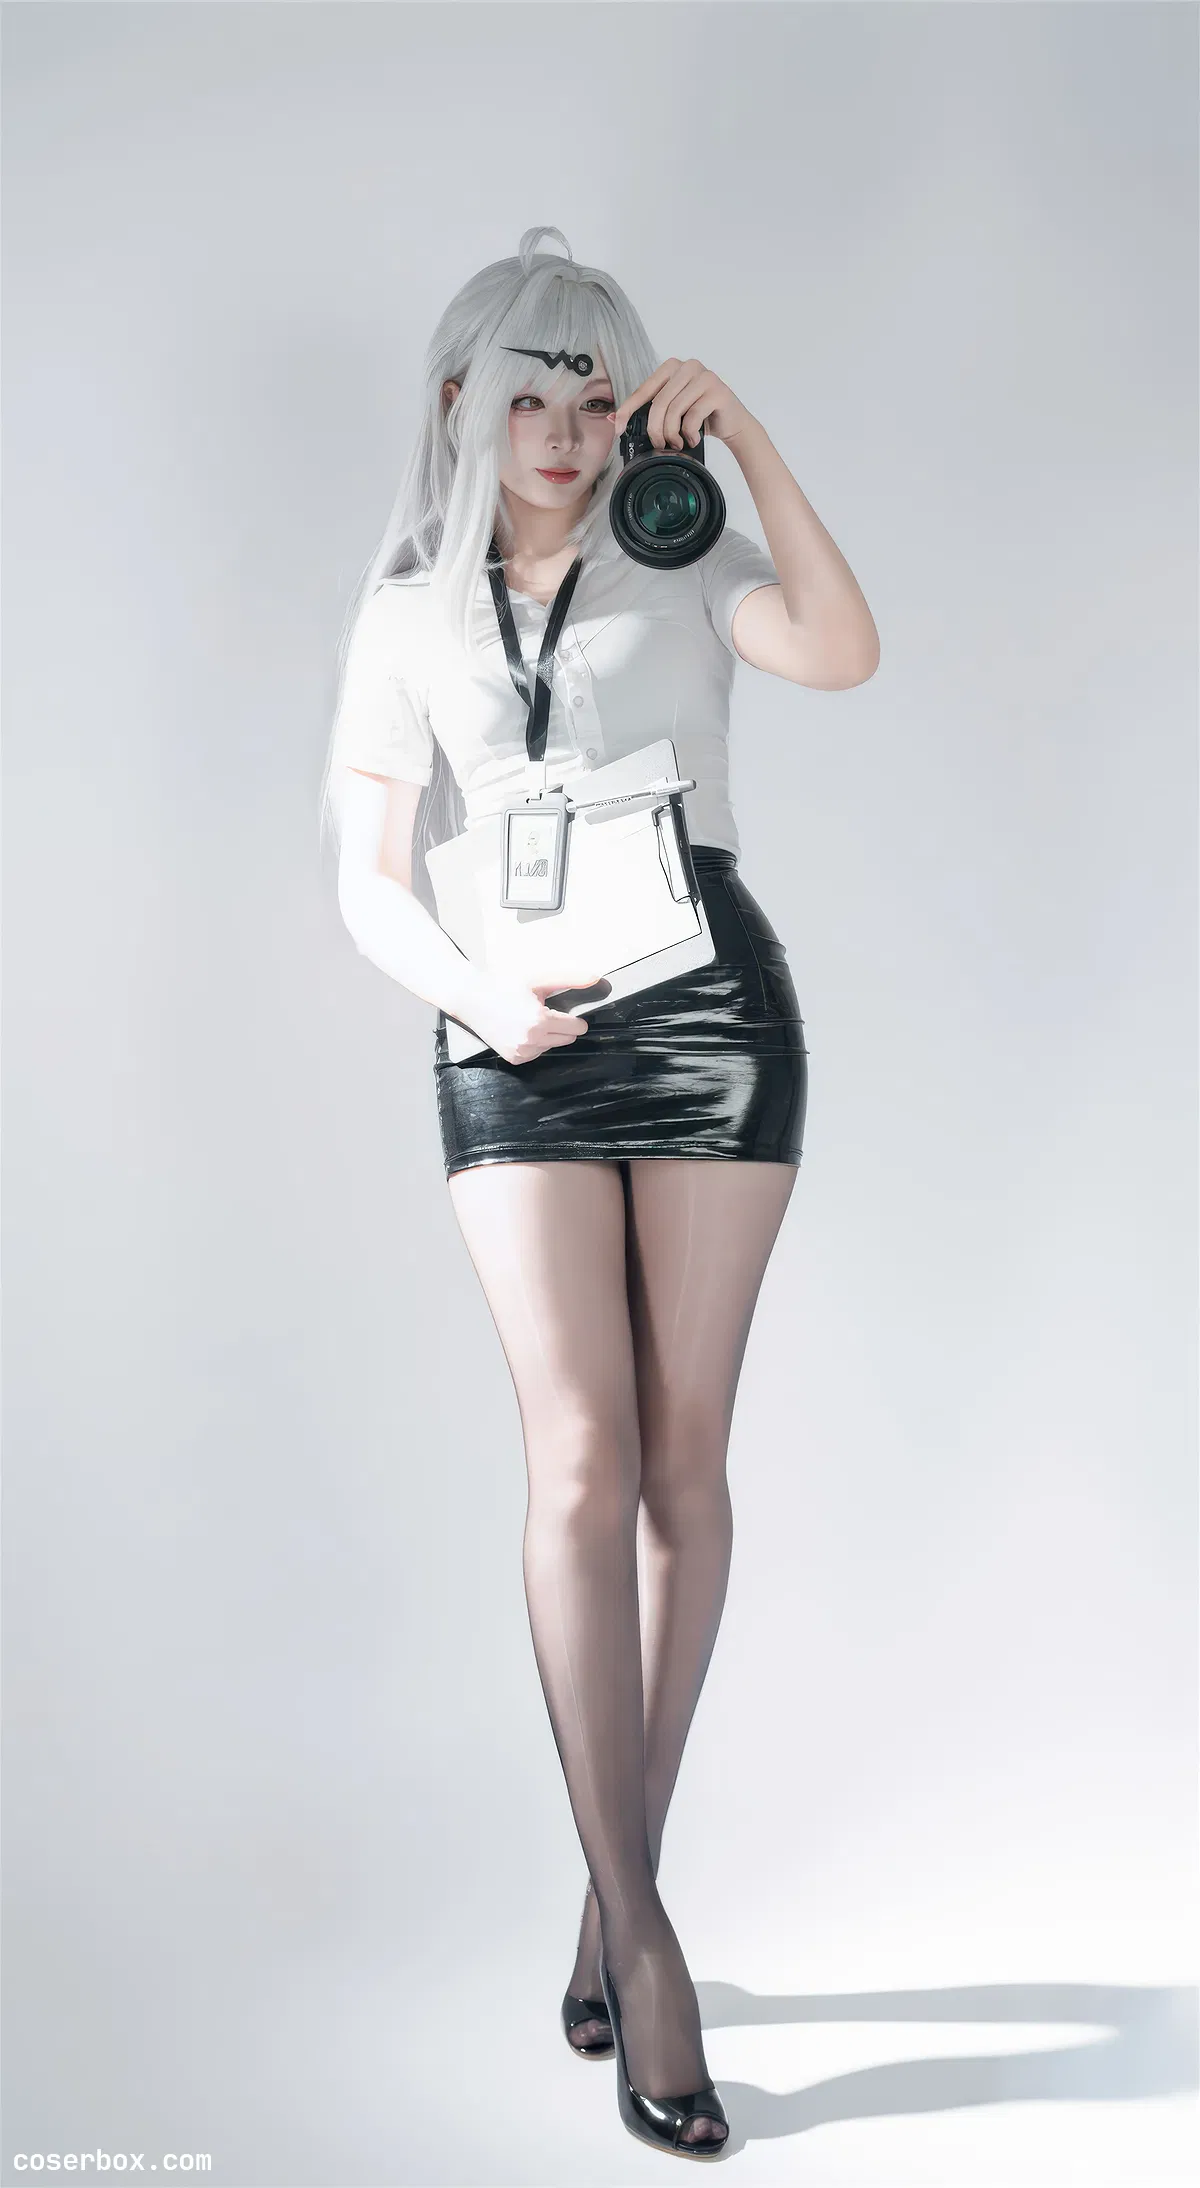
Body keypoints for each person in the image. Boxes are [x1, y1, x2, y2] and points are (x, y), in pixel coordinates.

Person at [319, 225, 878, 2160]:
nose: (561, 429)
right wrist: (484, 1000)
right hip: (517, 1027)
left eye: (596, 393)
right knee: (578, 1459)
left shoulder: (684, 552)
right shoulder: (408, 616)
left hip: (713, 1015)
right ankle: (641, 1930)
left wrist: (752, 443)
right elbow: (367, 878)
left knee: (681, 1460)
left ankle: (603, 1878)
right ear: (460, 404)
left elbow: (846, 650)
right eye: (527, 393)